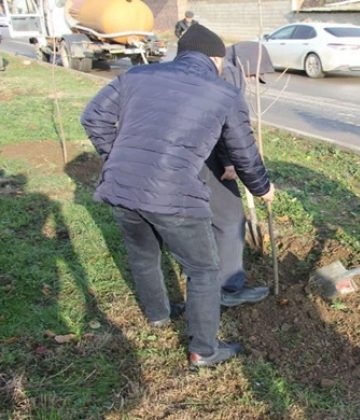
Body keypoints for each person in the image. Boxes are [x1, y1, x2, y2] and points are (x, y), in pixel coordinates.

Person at [81, 24, 275, 367]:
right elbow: (242, 151)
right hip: (174, 195)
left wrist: (117, 159)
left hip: (122, 188)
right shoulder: (222, 92)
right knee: (203, 270)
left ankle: (159, 316)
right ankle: (204, 349)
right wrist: (262, 187)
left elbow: (93, 117)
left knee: (144, 256)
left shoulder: (137, 76)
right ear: (216, 58)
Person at [201, 41, 275, 308]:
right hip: (207, 157)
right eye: (254, 74)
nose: (254, 80)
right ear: (245, 63)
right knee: (231, 219)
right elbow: (227, 125)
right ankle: (227, 288)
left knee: (205, 218)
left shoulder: (204, 69)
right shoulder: (230, 73)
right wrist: (229, 161)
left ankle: (206, 277)